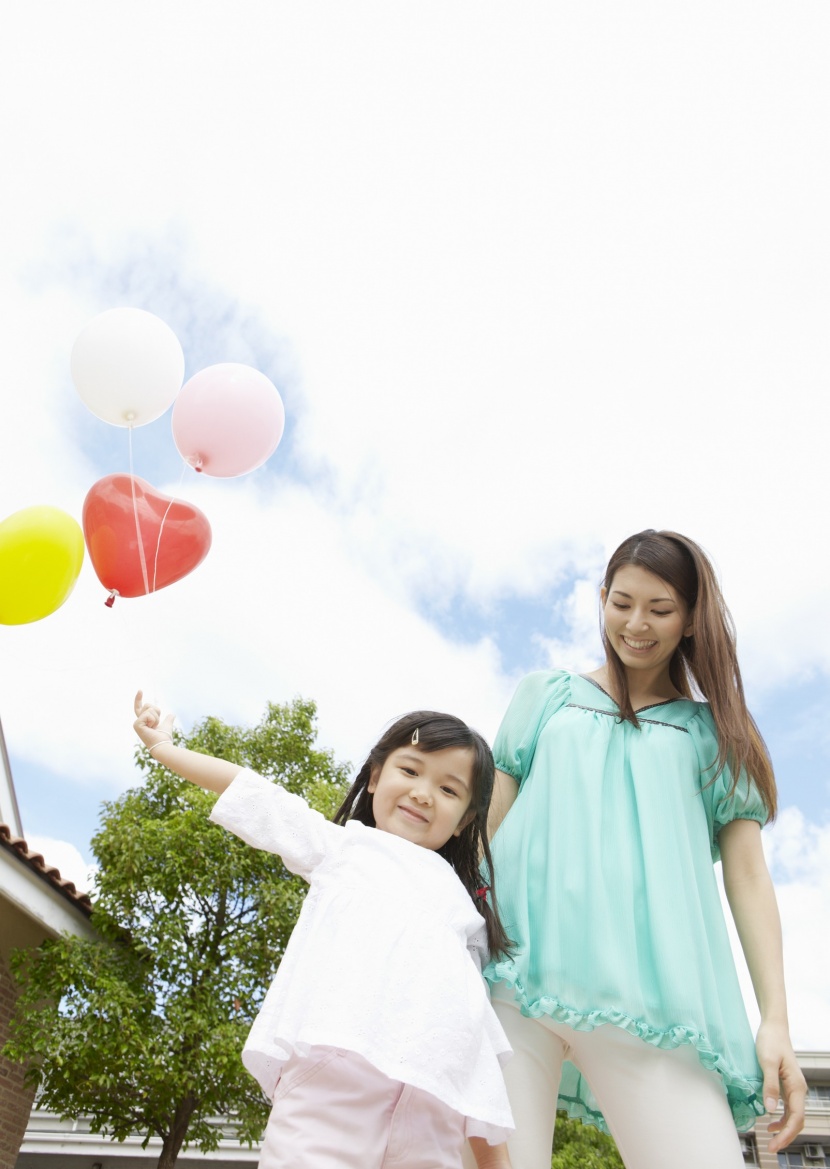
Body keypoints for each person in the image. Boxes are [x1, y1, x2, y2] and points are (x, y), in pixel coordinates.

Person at [479, 530, 806, 1169]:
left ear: (690, 620)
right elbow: (486, 838)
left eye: (660, 609)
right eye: (621, 602)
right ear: (601, 598)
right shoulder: (544, 698)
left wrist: (775, 1019)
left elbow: (748, 875)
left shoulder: (716, 735)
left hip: (654, 1000)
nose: (636, 624)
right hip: (512, 977)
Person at [133, 693, 514, 1169]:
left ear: (466, 821)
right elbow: (256, 796)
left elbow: (471, 1025)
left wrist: (493, 1156)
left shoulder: (463, 908)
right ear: (375, 776)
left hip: (432, 1109)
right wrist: (164, 748)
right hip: (336, 1084)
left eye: (449, 790)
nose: (423, 793)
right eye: (411, 771)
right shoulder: (344, 848)